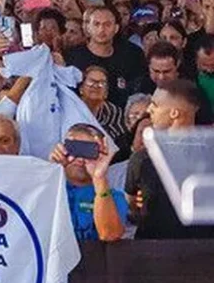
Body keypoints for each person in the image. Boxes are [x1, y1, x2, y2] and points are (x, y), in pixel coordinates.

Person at [125, 79, 214, 238]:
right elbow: (131, 205)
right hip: (152, 253)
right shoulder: (142, 158)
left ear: (174, 113)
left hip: (203, 253)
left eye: (155, 104)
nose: (149, 109)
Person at [49, 124, 127, 242]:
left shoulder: (114, 197)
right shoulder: (46, 188)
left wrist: (99, 178)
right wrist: (49, 172)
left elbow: (109, 235)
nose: (80, 159)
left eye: (88, 151)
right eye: (74, 149)